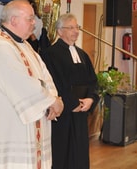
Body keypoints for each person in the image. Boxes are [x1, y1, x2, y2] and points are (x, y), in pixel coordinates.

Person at [0, 0, 64, 169]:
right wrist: (51, 101)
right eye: (30, 18)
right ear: (13, 20)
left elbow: (45, 76)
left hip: (23, 127)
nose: (34, 23)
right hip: (7, 132)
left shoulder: (25, 46)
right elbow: (21, 84)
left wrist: (55, 98)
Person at [41, 14, 99, 169]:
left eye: (77, 27)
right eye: (71, 27)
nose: (76, 31)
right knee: (62, 154)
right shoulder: (50, 54)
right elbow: (53, 84)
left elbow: (93, 81)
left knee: (79, 153)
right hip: (63, 113)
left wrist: (90, 99)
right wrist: (71, 103)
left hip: (81, 111)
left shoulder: (83, 55)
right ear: (60, 31)